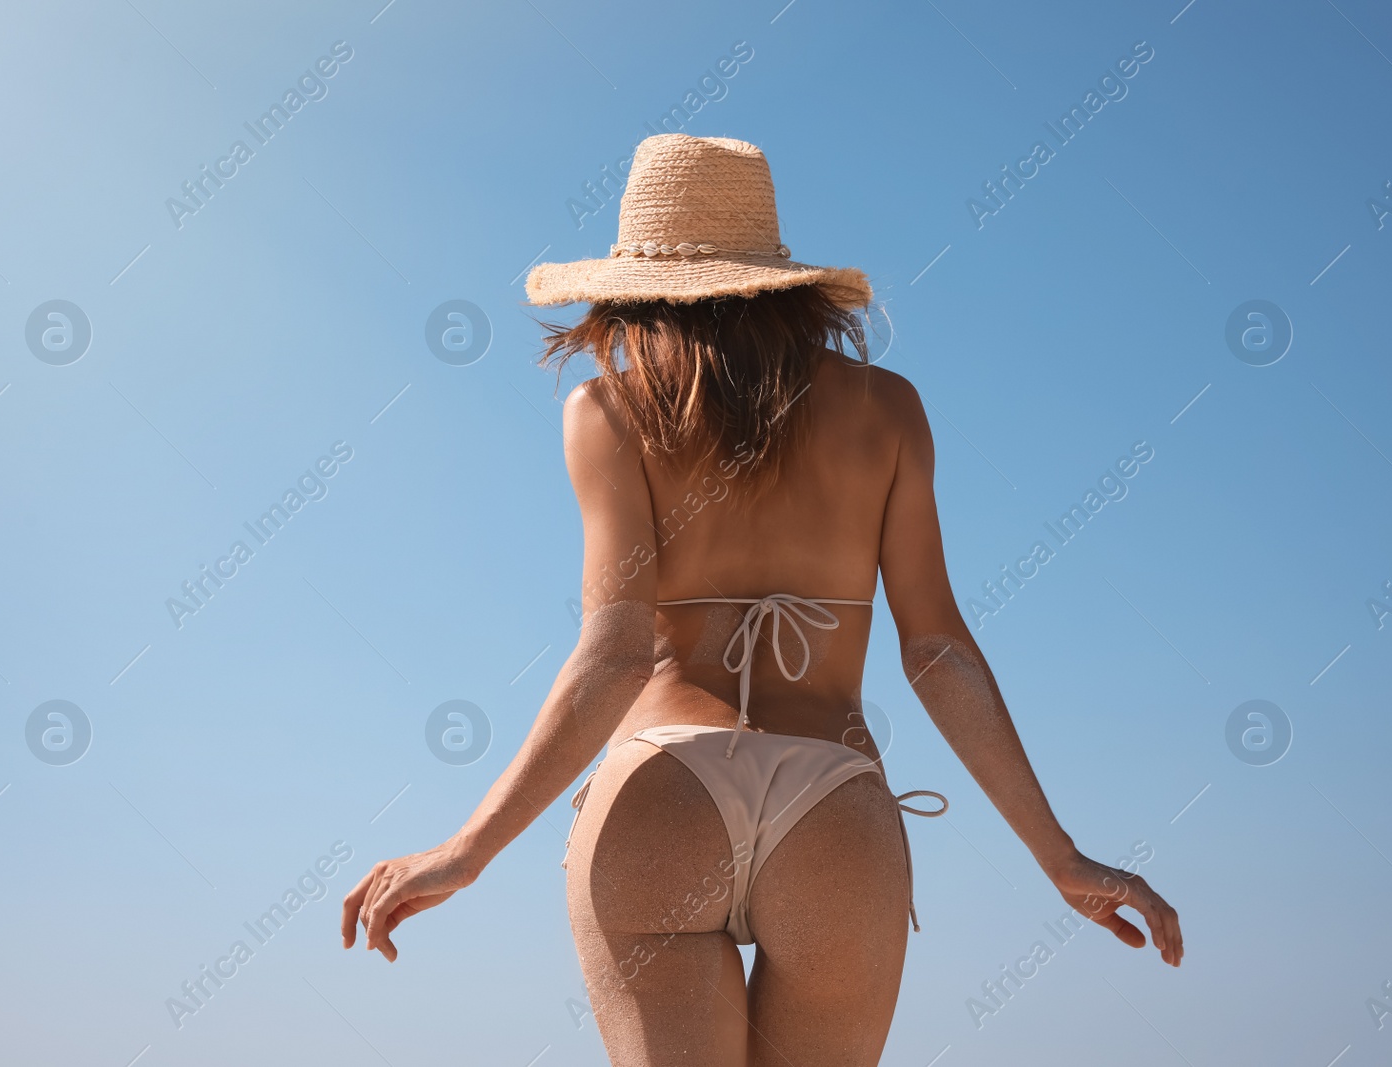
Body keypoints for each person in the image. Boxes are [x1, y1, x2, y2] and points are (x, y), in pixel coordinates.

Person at [340, 134, 1182, 1065]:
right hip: (832, 798)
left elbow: (615, 654)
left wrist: (466, 849)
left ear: (630, 281)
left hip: (661, 787)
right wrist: (1059, 855)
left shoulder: (607, 412)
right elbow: (936, 650)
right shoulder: (889, 409)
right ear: (782, 277)